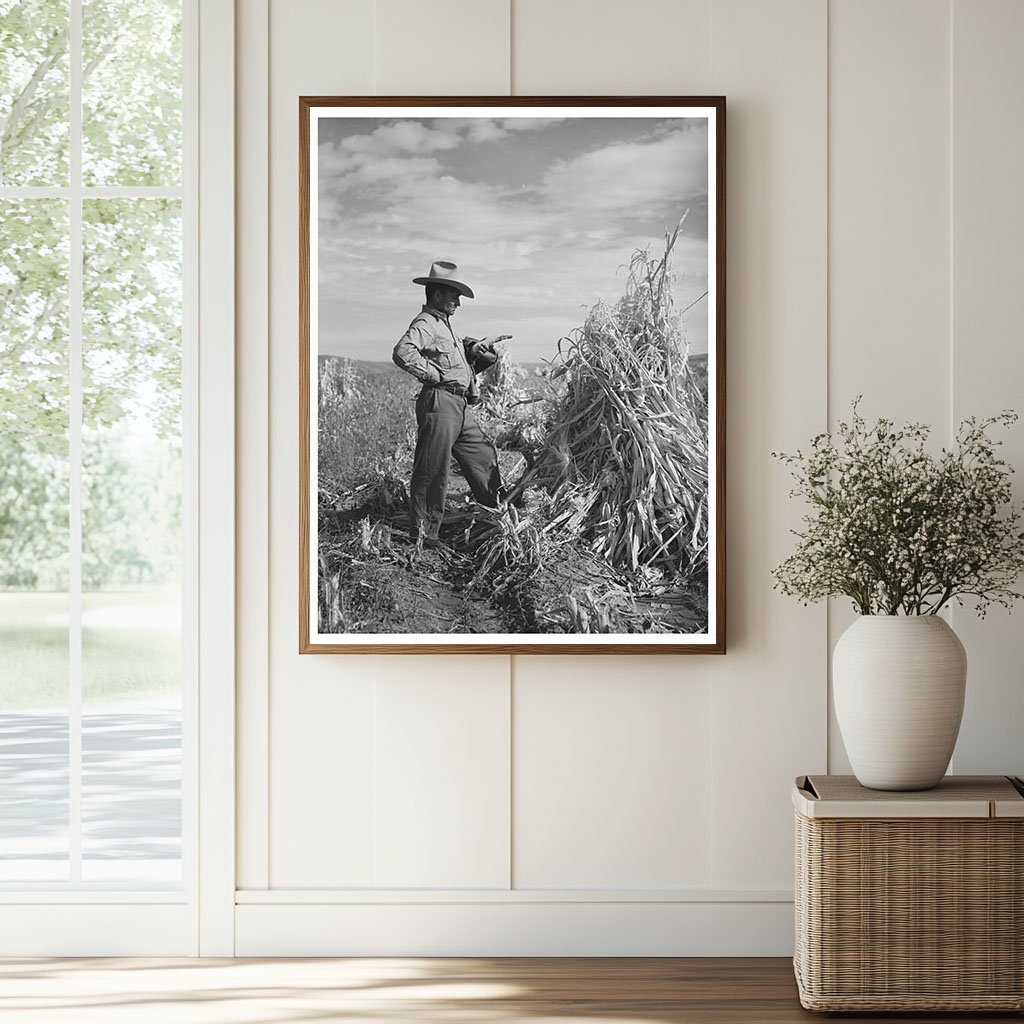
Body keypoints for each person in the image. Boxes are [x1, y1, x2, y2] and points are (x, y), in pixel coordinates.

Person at [392, 260, 512, 545]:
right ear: (436, 294)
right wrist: (434, 375)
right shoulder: (426, 323)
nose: (458, 301)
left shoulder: (446, 327)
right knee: (433, 469)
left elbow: (459, 360)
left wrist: (476, 349)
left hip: (458, 406)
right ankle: (424, 535)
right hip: (440, 402)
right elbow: (403, 352)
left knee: (482, 455)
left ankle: (501, 514)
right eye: (453, 295)